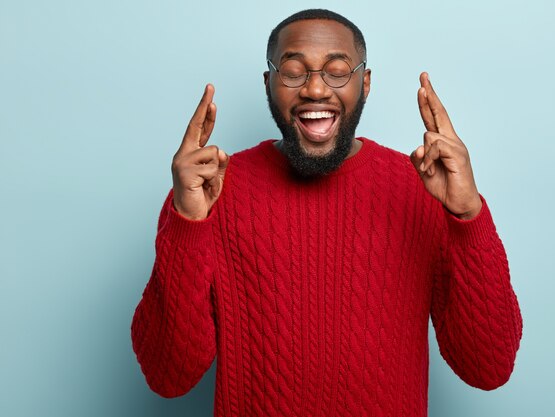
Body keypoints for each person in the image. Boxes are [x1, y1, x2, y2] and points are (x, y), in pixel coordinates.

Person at [131, 8, 522, 417]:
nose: (316, 89)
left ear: (365, 83)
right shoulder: (210, 191)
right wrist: (187, 223)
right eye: (293, 71)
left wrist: (467, 216)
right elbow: (167, 376)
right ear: (268, 84)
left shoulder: (422, 188)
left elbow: (488, 367)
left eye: (337, 71)